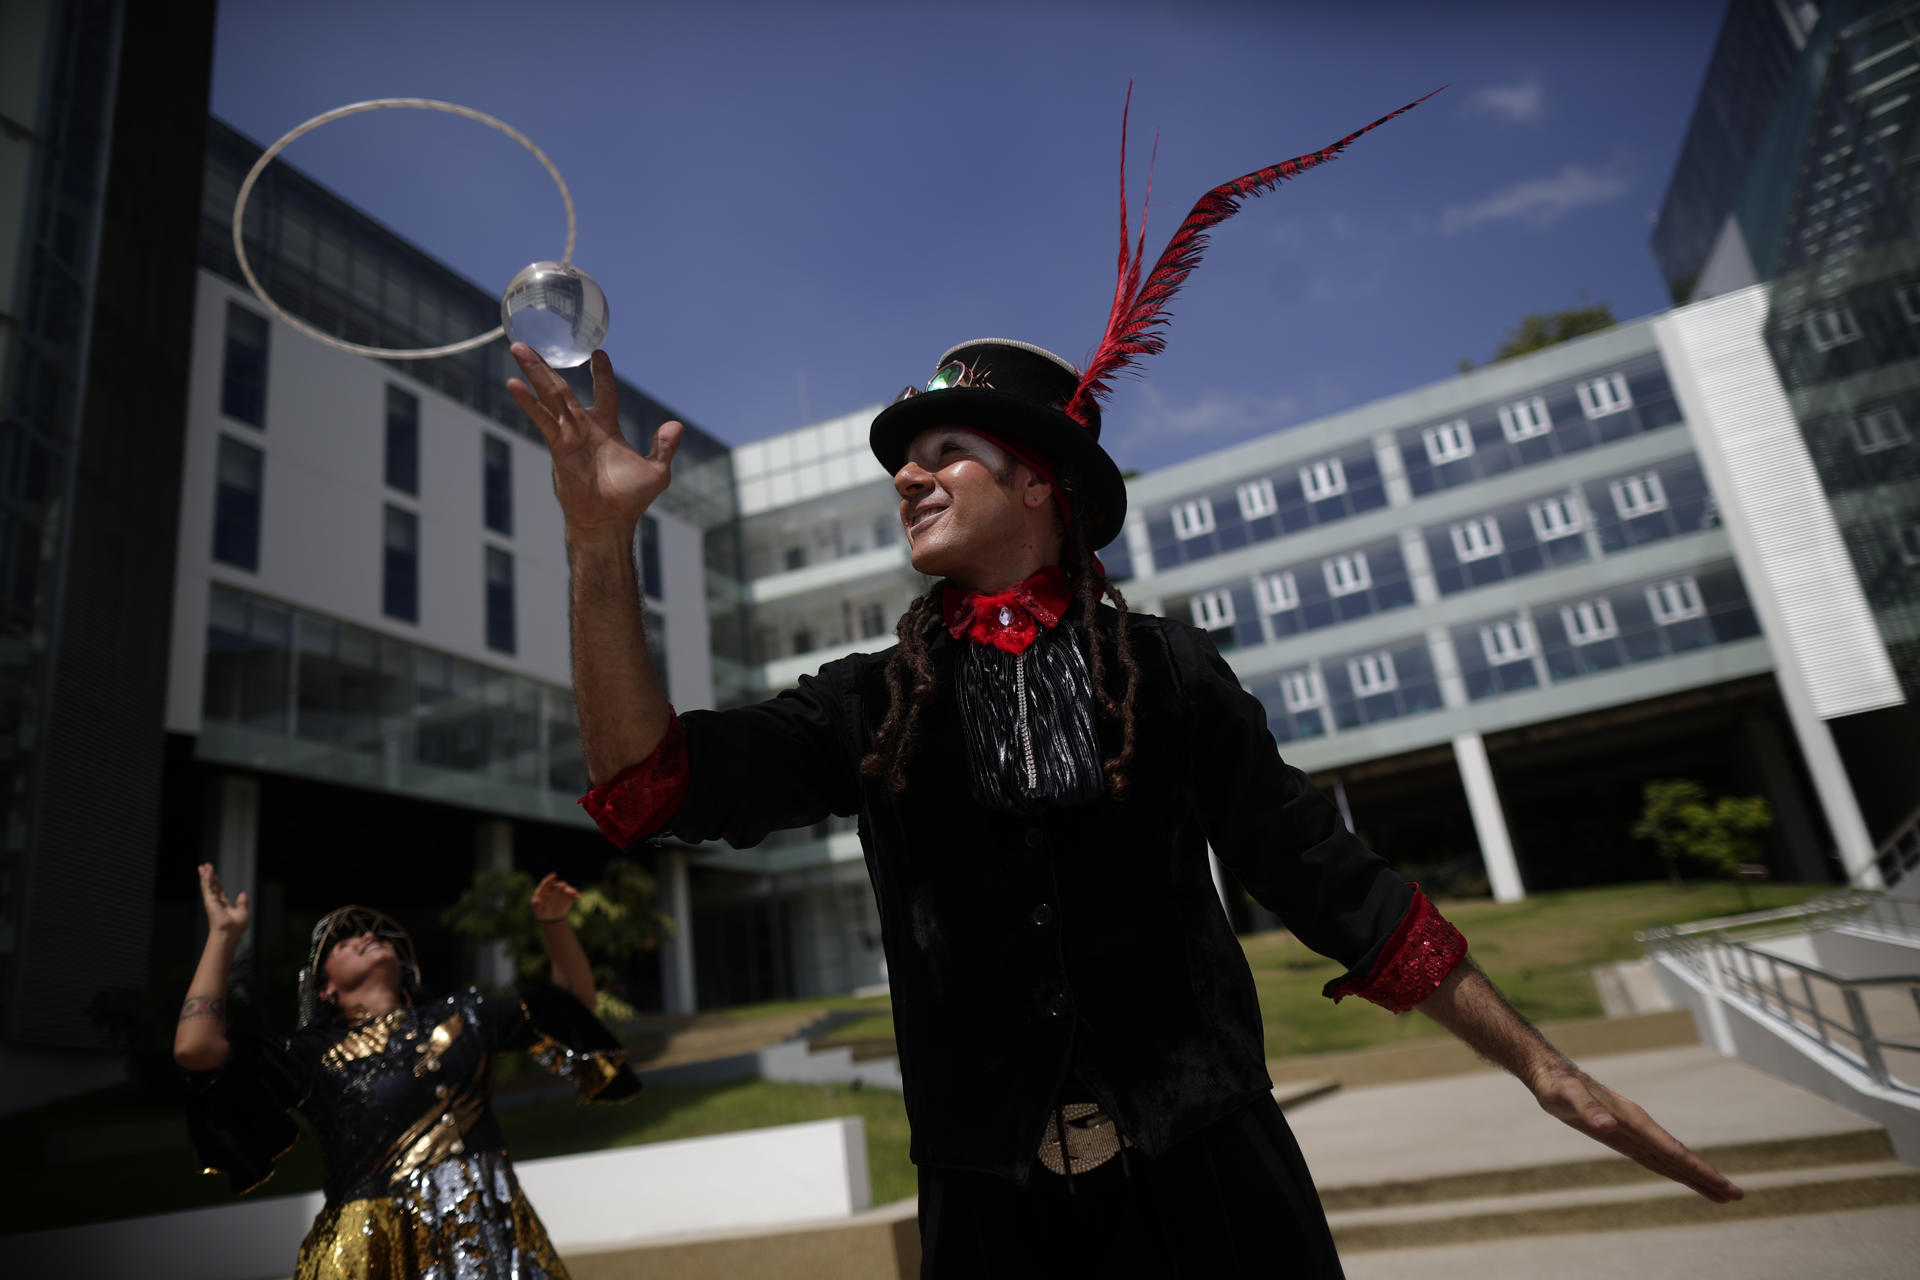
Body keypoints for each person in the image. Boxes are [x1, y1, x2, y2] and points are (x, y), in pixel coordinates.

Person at [506, 93, 1742, 1277]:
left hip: (1215, 1193)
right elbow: (647, 782)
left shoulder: (1166, 669)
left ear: (1041, 482)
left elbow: (1331, 878)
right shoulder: (871, 700)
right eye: (904, 457)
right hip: (994, 1220)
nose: (908, 476)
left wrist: (1547, 1069)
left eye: (948, 450)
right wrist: (597, 547)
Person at [175, 863, 638, 1280]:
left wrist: (553, 923)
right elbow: (196, 1050)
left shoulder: (465, 1017)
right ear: (326, 990)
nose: (363, 936)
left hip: (483, 1238)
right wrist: (223, 935)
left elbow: (573, 1008)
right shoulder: (310, 1053)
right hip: (368, 1249)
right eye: (342, 942)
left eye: (374, 934)